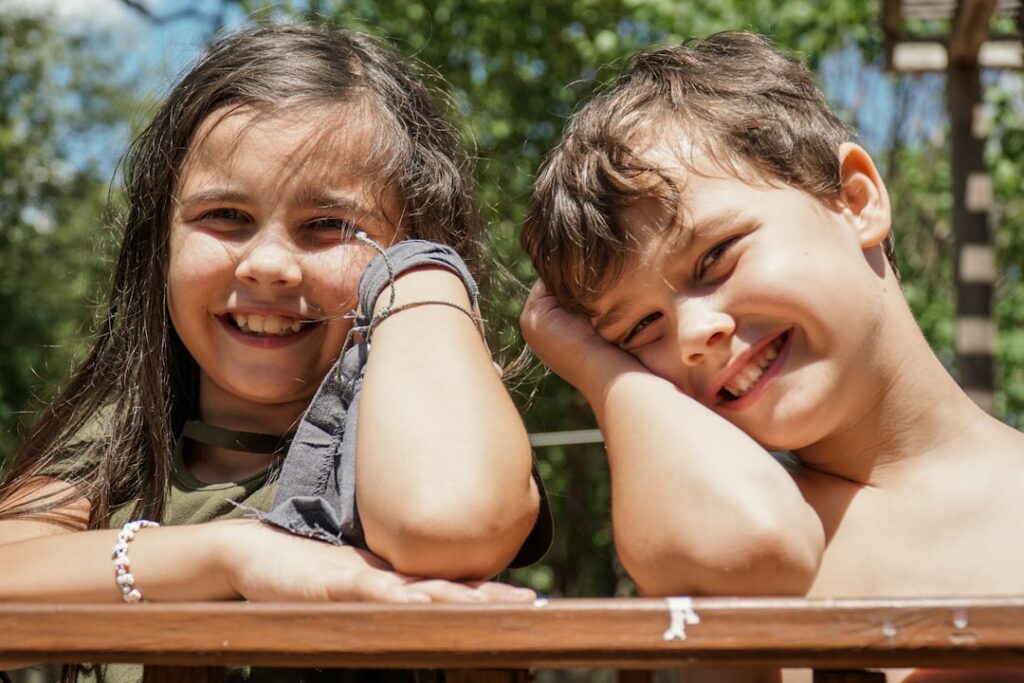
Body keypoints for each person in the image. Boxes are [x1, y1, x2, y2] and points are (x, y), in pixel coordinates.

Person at [0, 22, 548, 682]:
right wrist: (236, 556)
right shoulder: (125, 438)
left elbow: (447, 522)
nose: (267, 265)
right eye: (224, 216)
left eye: (329, 226)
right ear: (161, 242)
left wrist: (423, 272)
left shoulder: (433, 418)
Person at [519, 31, 1024, 682]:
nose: (694, 330)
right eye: (641, 327)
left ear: (857, 201)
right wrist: (596, 366)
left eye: (714, 258)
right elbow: (745, 538)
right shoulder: (732, 546)